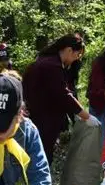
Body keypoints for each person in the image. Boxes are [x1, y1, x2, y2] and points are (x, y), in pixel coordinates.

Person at [22, 34, 100, 164]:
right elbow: (63, 94)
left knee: (37, 151)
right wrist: (86, 116)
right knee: (42, 154)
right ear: (69, 50)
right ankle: (41, 182)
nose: (77, 58)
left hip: (38, 114)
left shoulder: (45, 60)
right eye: (77, 54)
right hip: (43, 117)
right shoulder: (52, 66)